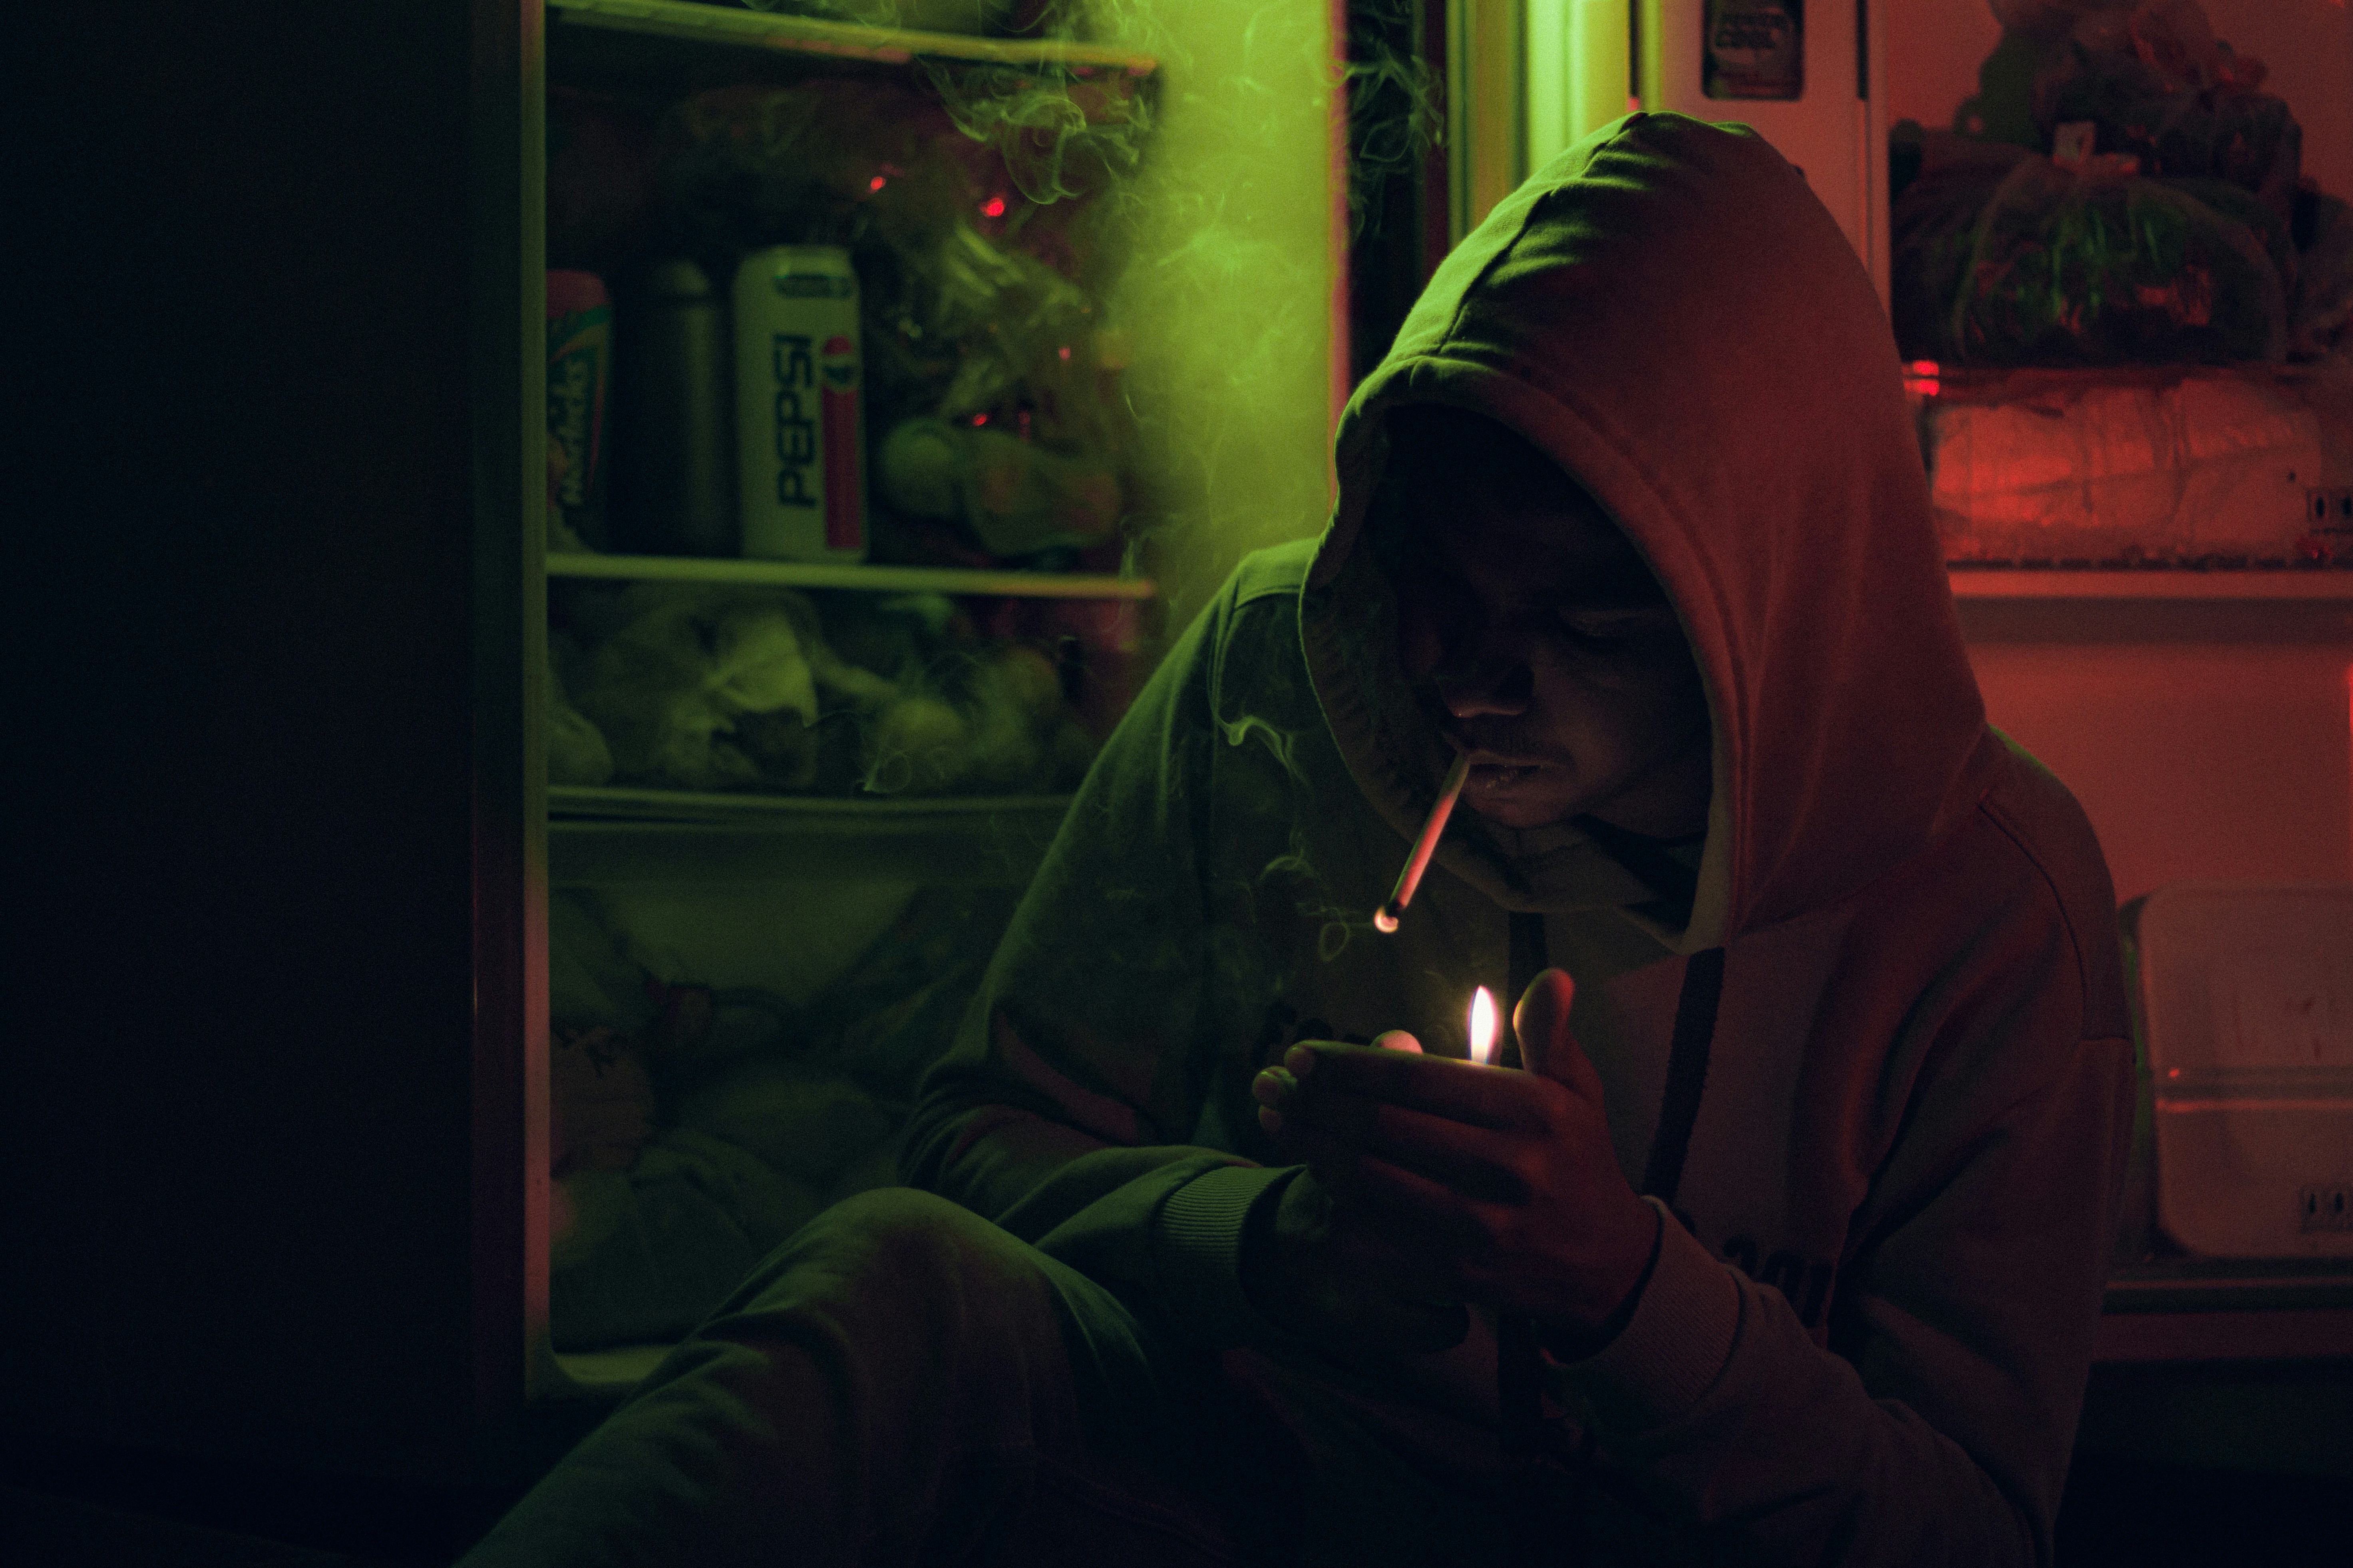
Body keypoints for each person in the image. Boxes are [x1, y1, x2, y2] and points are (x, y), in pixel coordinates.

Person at [462, 113, 2133, 1567]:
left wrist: (1619, 1287)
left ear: (1770, 625)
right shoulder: (1276, 679)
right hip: (1235, 1499)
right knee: (897, 1282)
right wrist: (1269, 1245)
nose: (1471, 679)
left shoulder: (1986, 909)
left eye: (1587, 630)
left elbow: (1969, 1536)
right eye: (1439, 589)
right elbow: (974, 1141)